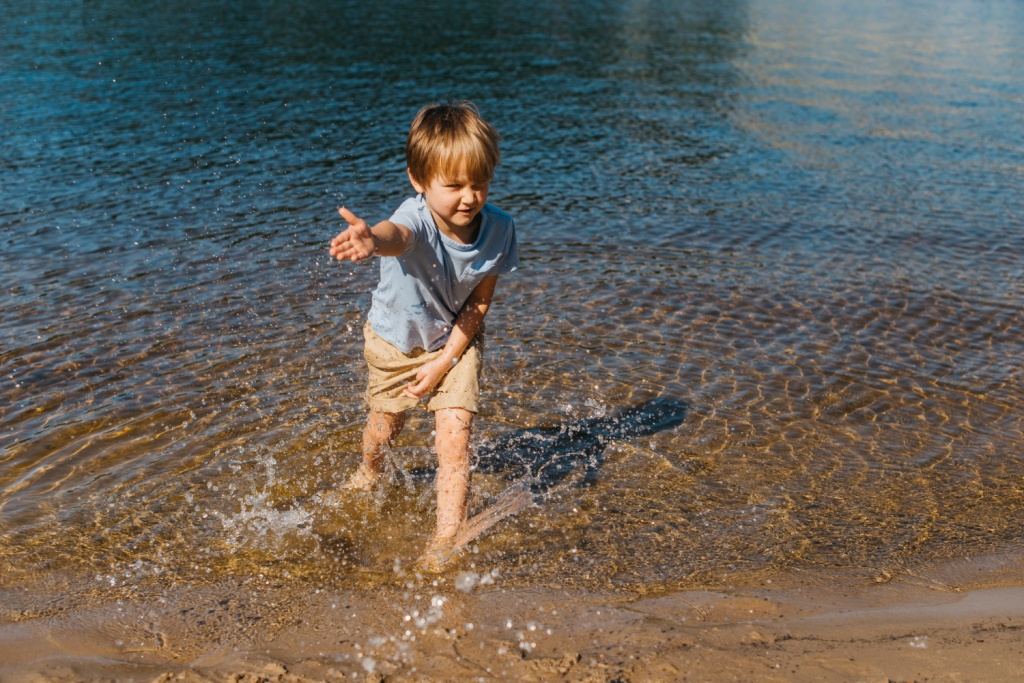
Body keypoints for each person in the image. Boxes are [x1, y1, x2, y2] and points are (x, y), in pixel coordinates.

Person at [328, 101, 518, 570]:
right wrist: (373, 241)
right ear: (419, 180)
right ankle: (368, 473)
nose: (469, 197)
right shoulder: (413, 218)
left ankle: (446, 535)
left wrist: (445, 361)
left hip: (454, 341)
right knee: (384, 428)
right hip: (394, 342)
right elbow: (398, 235)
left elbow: (479, 304)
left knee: (455, 439)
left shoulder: (499, 230)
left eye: (479, 182)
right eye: (453, 186)